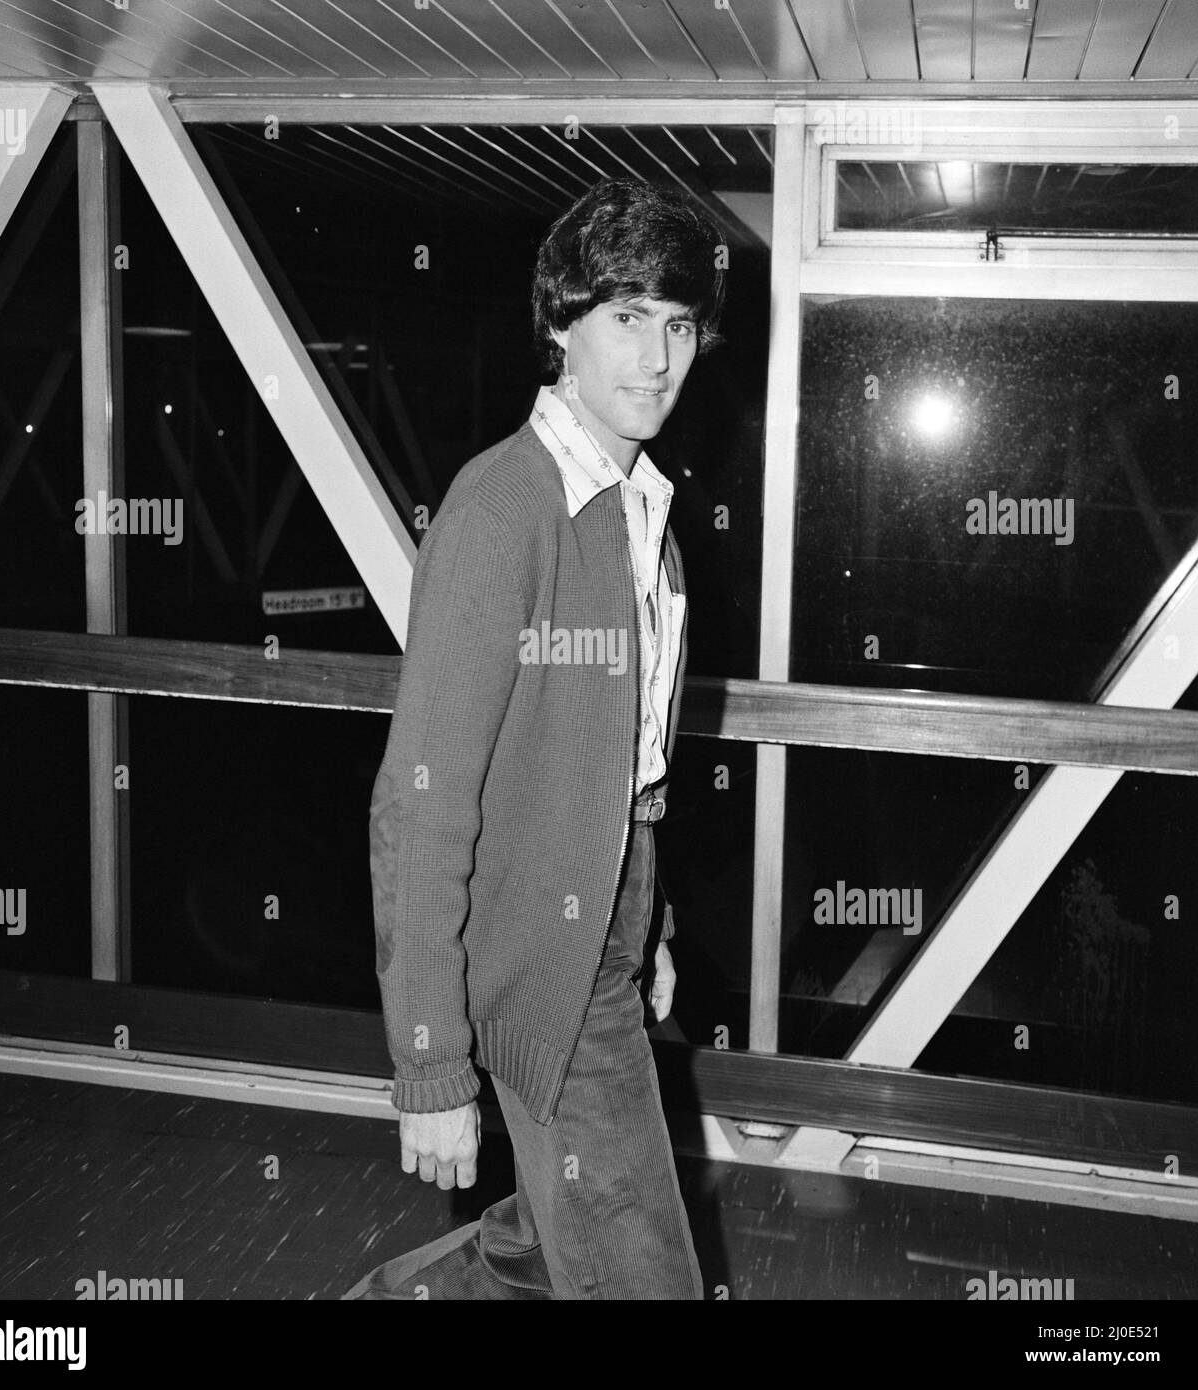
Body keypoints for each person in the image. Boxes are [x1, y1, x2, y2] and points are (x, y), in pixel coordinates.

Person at [345, 176, 726, 1301]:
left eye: (679, 325)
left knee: (543, 1247)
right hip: (535, 950)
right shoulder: (506, 508)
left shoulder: (638, 505)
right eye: (625, 318)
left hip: (605, 913)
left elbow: (628, 765)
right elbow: (421, 800)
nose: (656, 358)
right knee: (640, 1269)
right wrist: (428, 1064)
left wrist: (641, 922)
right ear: (560, 325)